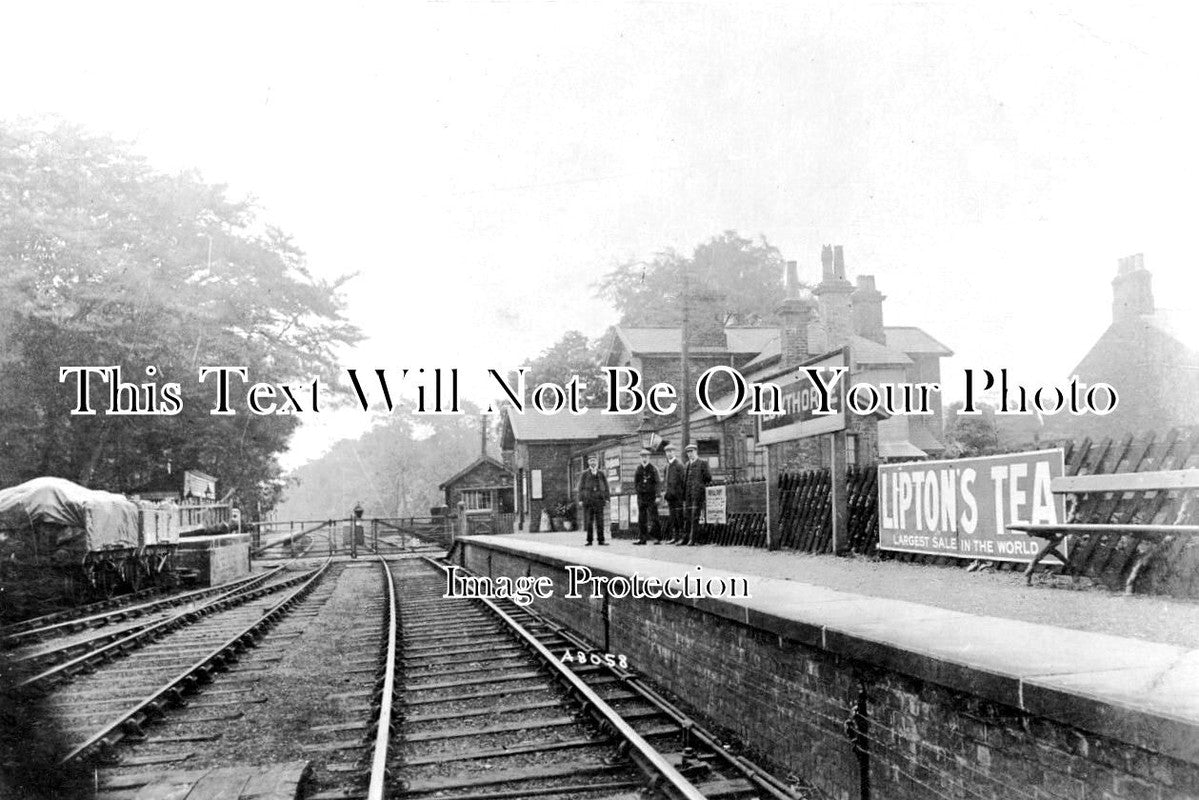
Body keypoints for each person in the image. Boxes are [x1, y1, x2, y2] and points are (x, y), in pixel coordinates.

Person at [682, 443, 712, 546]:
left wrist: (699, 486)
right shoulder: (686, 465)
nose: (690, 454)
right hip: (688, 494)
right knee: (687, 516)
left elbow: (708, 478)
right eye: (688, 452)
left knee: (695, 516)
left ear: (696, 452)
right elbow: (685, 481)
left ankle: (693, 539)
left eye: (692, 452)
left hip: (698, 494)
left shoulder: (703, 463)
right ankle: (686, 538)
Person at [577, 453, 610, 546]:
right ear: (588, 462)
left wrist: (607, 498)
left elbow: (606, 486)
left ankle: (601, 540)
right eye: (591, 461)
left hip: (599, 500)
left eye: (594, 461)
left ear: (597, 462)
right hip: (589, 501)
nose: (593, 463)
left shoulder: (601, 473)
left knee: (600, 521)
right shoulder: (584, 474)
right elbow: (580, 488)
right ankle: (589, 540)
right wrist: (580, 499)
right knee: (589, 522)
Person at [632, 447, 662, 545]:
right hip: (641, 497)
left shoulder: (653, 469)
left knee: (654, 517)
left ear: (649, 457)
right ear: (640, 458)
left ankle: (657, 538)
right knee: (642, 518)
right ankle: (642, 539)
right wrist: (638, 491)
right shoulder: (638, 469)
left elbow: (658, 482)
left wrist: (658, 495)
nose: (644, 458)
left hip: (651, 496)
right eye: (642, 457)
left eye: (646, 456)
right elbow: (636, 482)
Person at [662, 443, 686, 544]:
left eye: (671, 451)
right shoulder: (667, 466)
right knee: (673, 518)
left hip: (678, 496)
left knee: (679, 517)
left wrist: (680, 495)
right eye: (667, 452)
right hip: (670, 496)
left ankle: (682, 537)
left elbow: (682, 481)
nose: (669, 453)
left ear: (674, 452)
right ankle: (675, 537)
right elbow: (665, 482)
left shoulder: (679, 465)